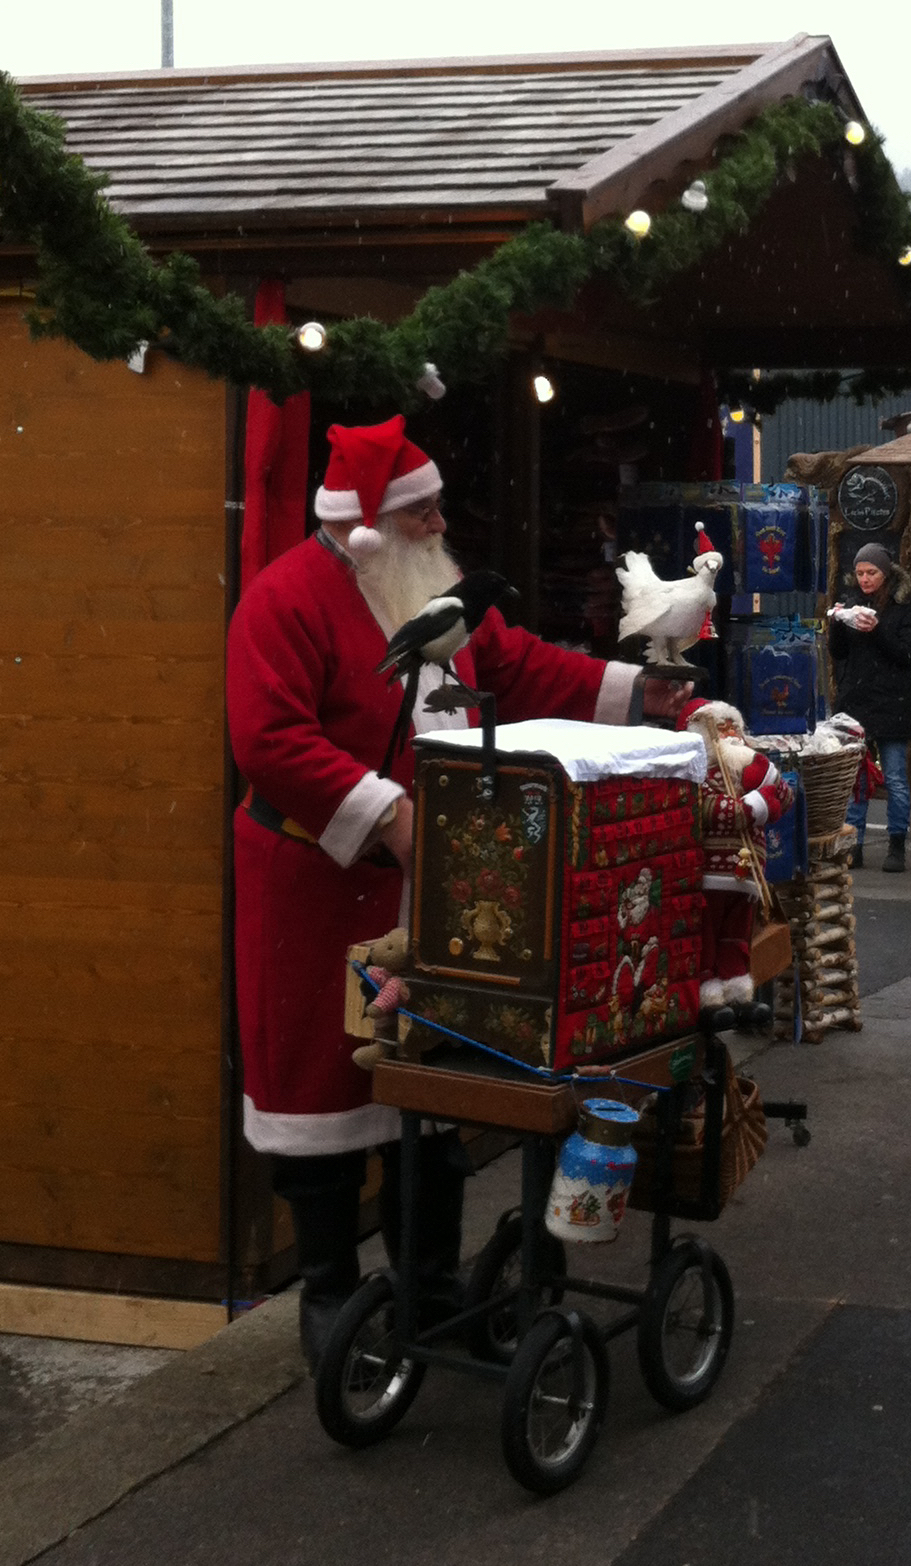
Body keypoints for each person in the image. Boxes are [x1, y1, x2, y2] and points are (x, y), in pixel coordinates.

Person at [226, 415, 678, 1363]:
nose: (441, 526)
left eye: (436, 510)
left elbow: (514, 666)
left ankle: (429, 1292)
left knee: (426, 1082)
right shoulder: (286, 600)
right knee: (319, 1093)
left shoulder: (430, 590)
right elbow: (268, 739)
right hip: (316, 884)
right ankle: (330, 1289)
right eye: (423, 513)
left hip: (436, 884)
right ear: (372, 524)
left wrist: (639, 691)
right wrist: (386, 812)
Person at [686, 699, 795, 1007]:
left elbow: (784, 797)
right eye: (723, 729)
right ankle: (708, 983)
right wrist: (754, 806)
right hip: (713, 871)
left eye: (735, 728)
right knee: (709, 928)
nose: (731, 735)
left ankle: (735, 980)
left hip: (748, 872)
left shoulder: (748, 767)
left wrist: (765, 776)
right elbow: (710, 810)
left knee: (738, 928)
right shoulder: (701, 775)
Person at [830, 542, 911, 872]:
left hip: (892, 702)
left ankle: (897, 844)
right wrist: (839, 623)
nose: (865, 578)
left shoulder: (903, 610)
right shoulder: (854, 603)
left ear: (886, 573)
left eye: (872, 572)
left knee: (895, 777)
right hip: (857, 701)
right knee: (855, 778)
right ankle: (855, 844)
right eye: (860, 572)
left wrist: (878, 630)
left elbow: (907, 655)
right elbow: (839, 654)